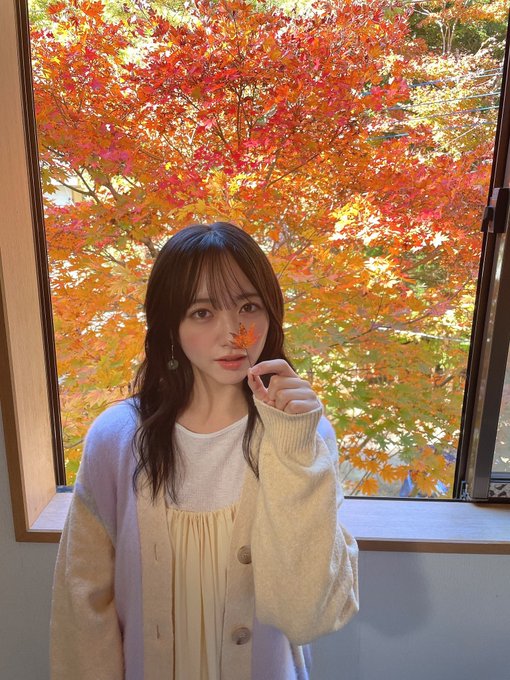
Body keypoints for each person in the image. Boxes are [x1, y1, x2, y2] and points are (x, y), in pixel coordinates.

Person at [50, 221, 359, 680]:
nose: (233, 333)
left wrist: (296, 448)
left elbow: (304, 616)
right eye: (202, 312)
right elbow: (83, 602)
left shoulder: (302, 434)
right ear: (170, 326)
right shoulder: (116, 438)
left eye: (248, 307)